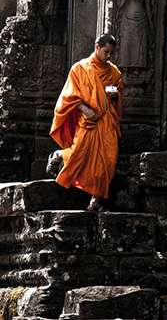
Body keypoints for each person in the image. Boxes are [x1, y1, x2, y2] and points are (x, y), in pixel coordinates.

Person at [49, 33, 124, 211]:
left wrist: (115, 95)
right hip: (88, 120)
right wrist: (85, 110)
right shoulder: (80, 69)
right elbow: (70, 96)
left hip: (107, 121)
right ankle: (59, 155)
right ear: (97, 47)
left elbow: (117, 90)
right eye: (106, 52)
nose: (108, 56)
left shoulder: (113, 71)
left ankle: (95, 201)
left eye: (111, 54)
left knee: (108, 160)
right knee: (78, 154)